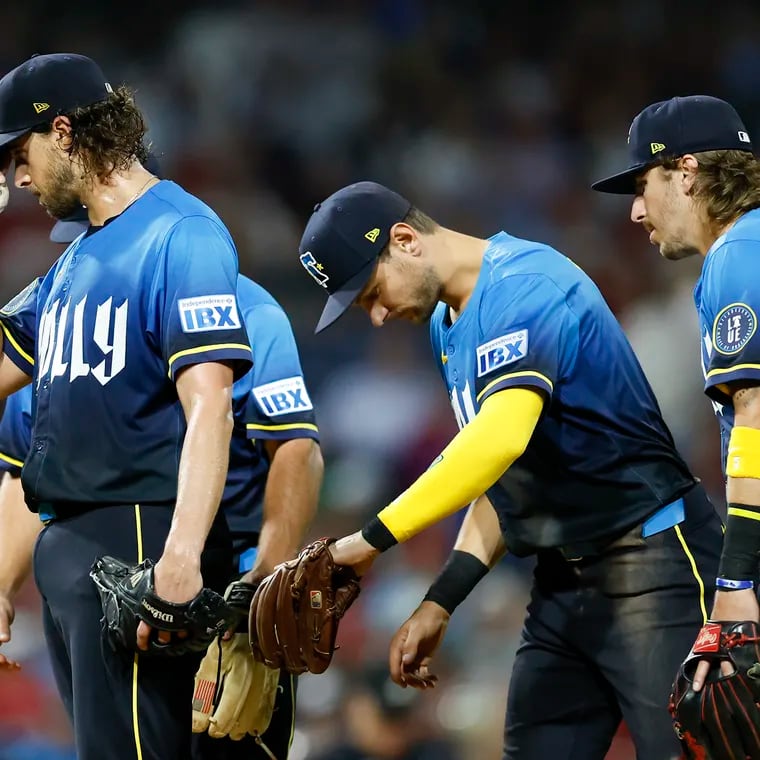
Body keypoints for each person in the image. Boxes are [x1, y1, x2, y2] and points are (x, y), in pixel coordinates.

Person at [295, 180, 723, 759]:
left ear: (405, 240)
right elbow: (504, 477)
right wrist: (441, 600)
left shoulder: (525, 284)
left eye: (371, 292)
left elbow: (498, 440)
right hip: (563, 581)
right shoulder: (448, 322)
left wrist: (370, 541)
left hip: (655, 559)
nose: (374, 315)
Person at [0, 52, 254, 759]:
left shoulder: (181, 231)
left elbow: (212, 405)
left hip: (138, 540)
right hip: (73, 547)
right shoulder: (73, 262)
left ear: (63, 132)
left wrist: (180, 555)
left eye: (18, 154)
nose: (16, 177)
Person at [591, 95, 760, 691]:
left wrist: (735, 584)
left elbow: (755, 420)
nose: (636, 211)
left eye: (643, 183)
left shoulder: (738, 256)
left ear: (687, 172)